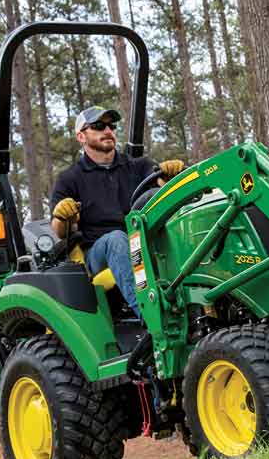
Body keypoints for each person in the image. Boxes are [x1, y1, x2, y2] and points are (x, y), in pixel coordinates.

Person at [50, 105, 184, 318]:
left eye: (111, 125)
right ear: (81, 136)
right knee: (117, 240)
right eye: (98, 126)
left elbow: (159, 182)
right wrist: (62, 215)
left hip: (142, 238)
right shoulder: (70, 179)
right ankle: (151, 316)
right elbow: (59, 230)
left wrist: (169, 176)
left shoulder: (138, 166)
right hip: (99, 252)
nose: (108, 130)